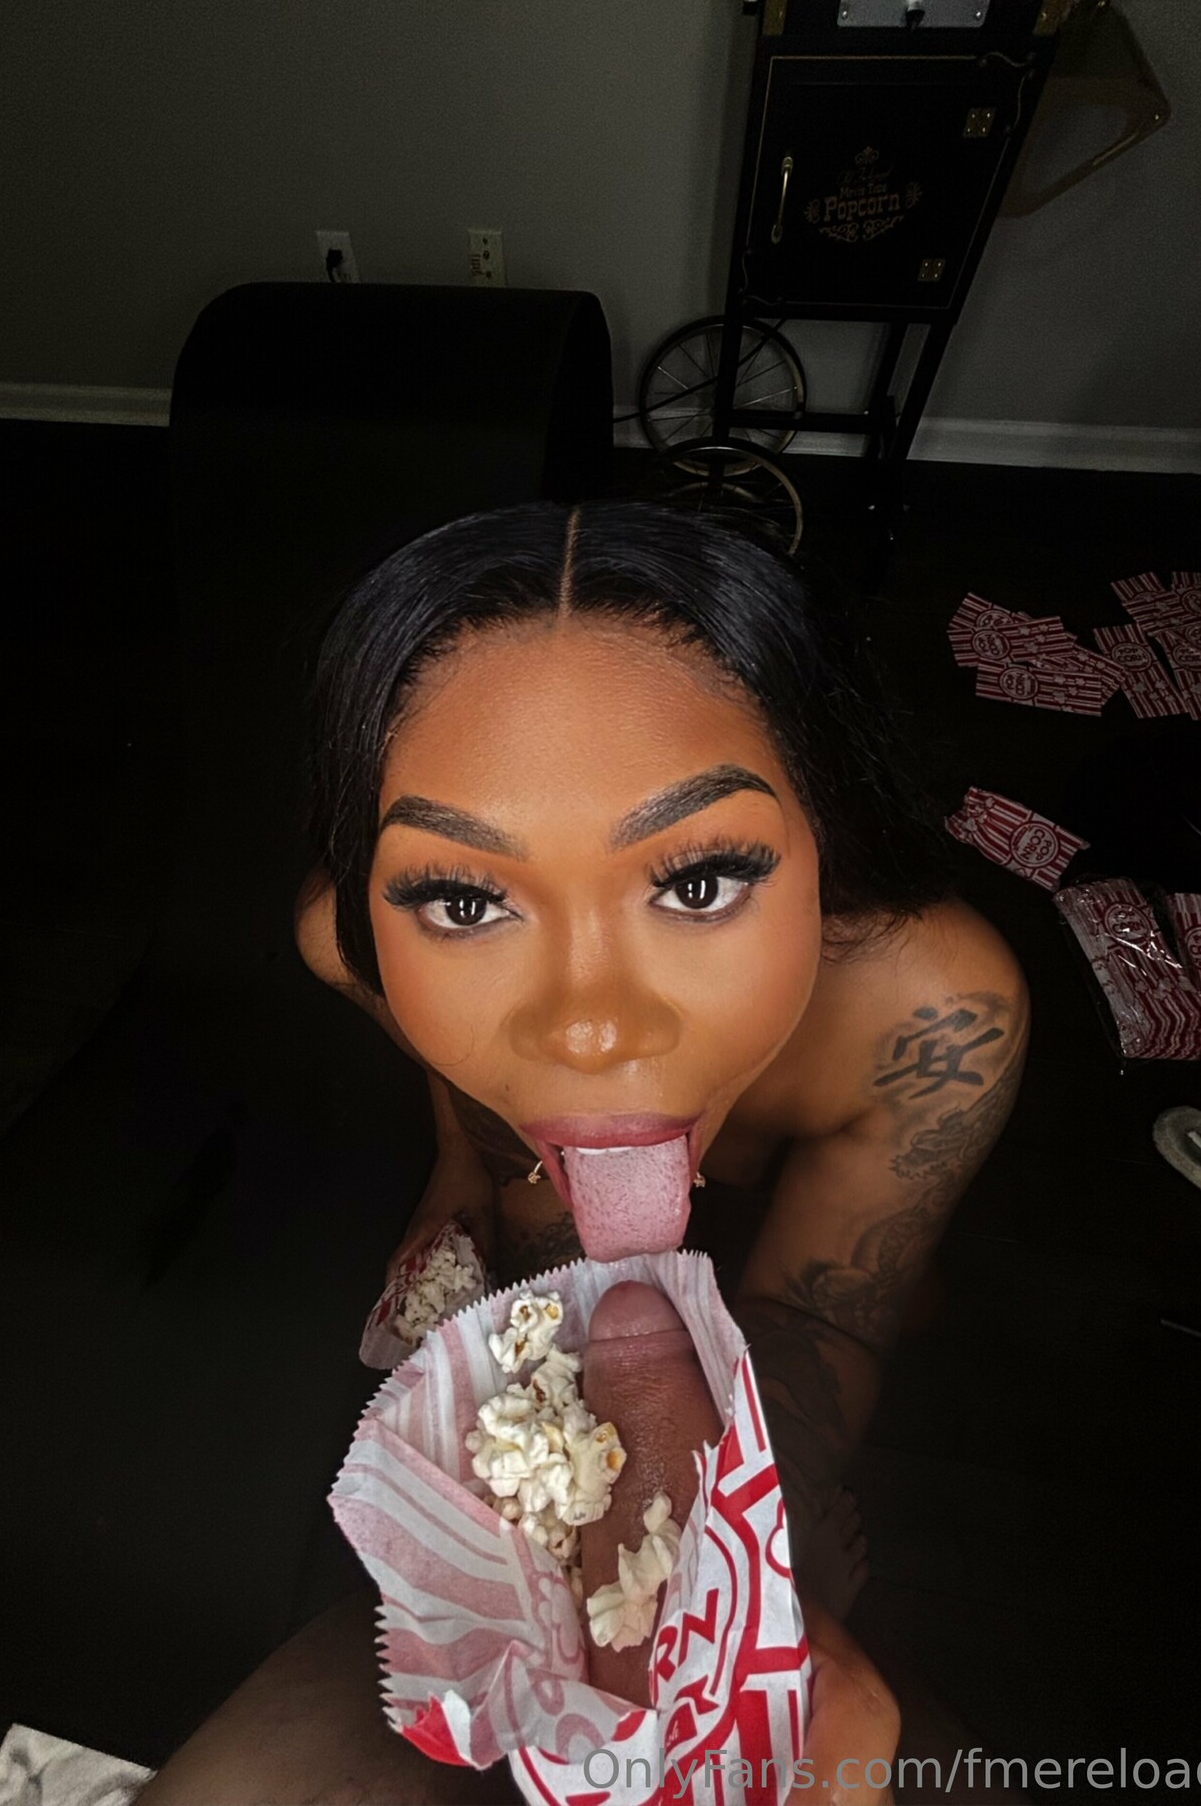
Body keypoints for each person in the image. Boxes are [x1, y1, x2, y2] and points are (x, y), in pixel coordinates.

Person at [135, 499, 1028, 1805]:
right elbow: (452, 1070)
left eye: (698, 881)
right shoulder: (352, 944)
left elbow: (824, 1315)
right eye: (466, 899)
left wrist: (728, 1574)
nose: (589, 1025)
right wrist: (466, 1167)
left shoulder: (938, 1016)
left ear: (825, 832)